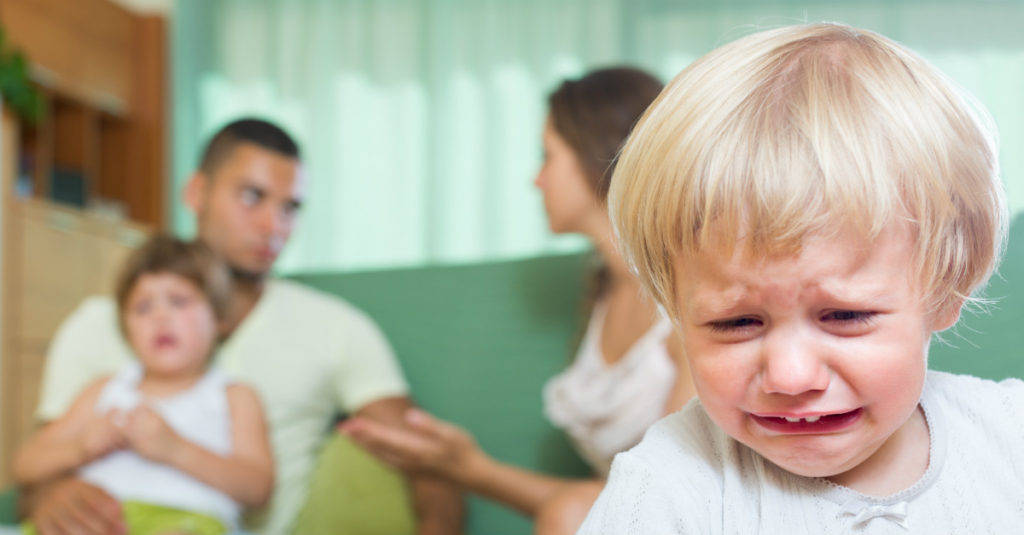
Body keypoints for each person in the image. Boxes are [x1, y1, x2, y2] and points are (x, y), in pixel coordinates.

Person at [576, 22, 1017, 533]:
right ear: (674, 305)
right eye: (736, 322)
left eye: (845, 315)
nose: (789, 377)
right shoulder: (669, 481)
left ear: (946, 287)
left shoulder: (1010, 434)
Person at [22, 119, 463, 535]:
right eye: (252, 197)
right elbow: (34, 476)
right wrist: (51, 498)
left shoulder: (337, 329)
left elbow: (432, 466)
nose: (274, 226)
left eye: (290, 208)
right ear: (196, 192)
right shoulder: (95, 325)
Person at [341, 67, 696, 535]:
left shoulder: (689, 299)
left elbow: (665, 497)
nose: (537, 179)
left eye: (547, 156)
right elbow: (608, 502)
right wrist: (465, 467)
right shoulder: (602, 294)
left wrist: (472, 471)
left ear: (597, 153)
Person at [14, 236, 272, 535]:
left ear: (217, 317)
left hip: (187, 521)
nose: (161, 317)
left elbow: (258, 489)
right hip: (100, 520)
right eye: (143, 307)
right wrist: (80, 448)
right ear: (126, 328)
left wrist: (176, 450)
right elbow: (25, 464)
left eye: (179, 301)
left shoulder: (234, 396)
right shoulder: (105, 390)